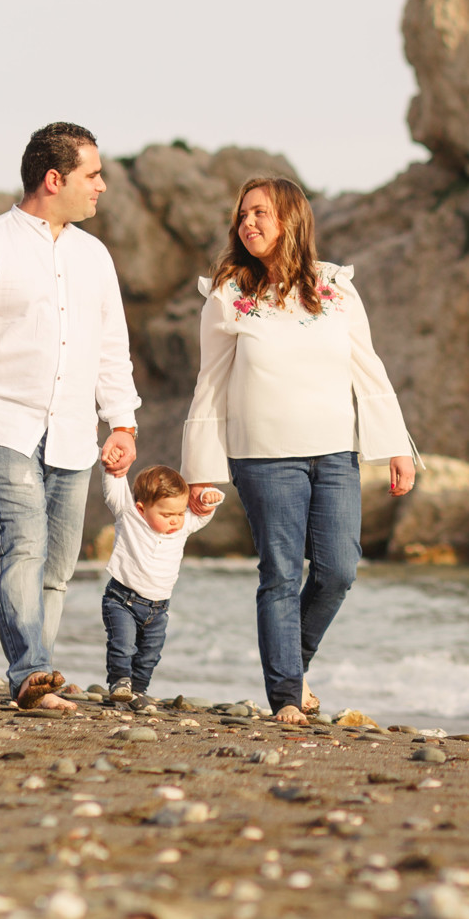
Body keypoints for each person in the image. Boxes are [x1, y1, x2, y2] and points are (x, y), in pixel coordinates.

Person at [182, 176, 418, 724]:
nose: (248, 223)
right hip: (262, 456)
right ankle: (287, 697)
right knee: (281, 573)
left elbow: (369, 367)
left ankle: (293, 662)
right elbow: (210, 383)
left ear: (292, 218)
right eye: (243, 215)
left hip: (336, 451)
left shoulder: (334, 287)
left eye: (261, 213)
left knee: (338, 570)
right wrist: (202, 469)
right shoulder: (228, 294)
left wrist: (397, 446)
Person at [0, 121, 142, 712]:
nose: (101, 187)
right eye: (92, 176)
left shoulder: (94, 257)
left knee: (60, 564)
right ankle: (31, 671)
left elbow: (110, 347)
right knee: (22, 541)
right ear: (55, 178)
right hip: (1, 422)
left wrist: (122, 422)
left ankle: (35, 674)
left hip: (74, 429)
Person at [100, 465, 224, 709]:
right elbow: (114, 488)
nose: (175, 520)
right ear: (142, 508)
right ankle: (119, 683)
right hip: (122, 600)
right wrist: (114, 464)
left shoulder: (183, 525)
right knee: (122, 645)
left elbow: (202, 514)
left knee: (149, 655)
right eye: (167, 515)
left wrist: (210, 497)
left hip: (158, 609)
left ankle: (137, 691)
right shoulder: (130, 516)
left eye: (179, 513)